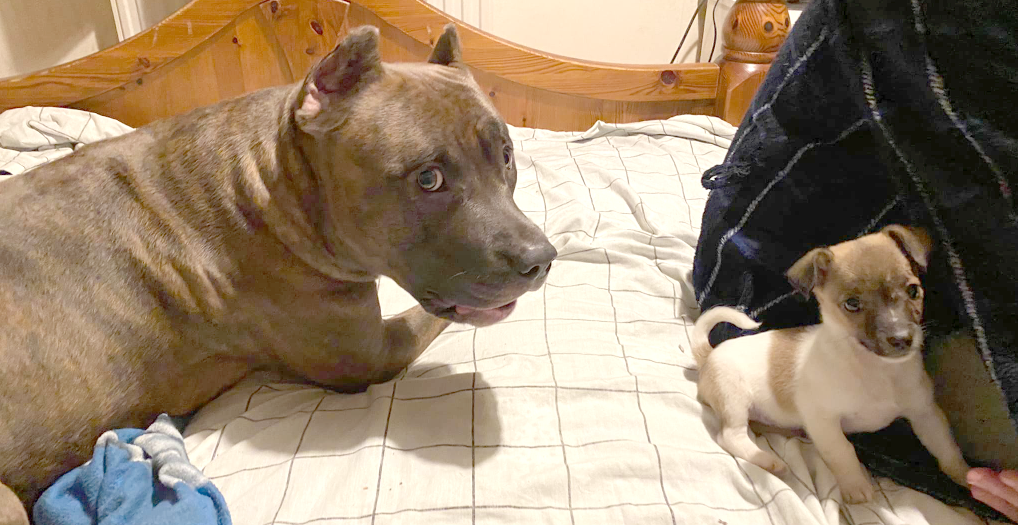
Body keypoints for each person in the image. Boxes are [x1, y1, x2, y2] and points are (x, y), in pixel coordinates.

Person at [691, 0, 1018, 520]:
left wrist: (955, 468)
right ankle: (740, 434)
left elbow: (926, 412)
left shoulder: (906, 313)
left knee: (921, 404)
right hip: (771, 377)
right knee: (734, 369)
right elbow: (822, 420)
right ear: (816, 287)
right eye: (854, 304)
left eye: (910, 292)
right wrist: (848, 474)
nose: (894, 328)